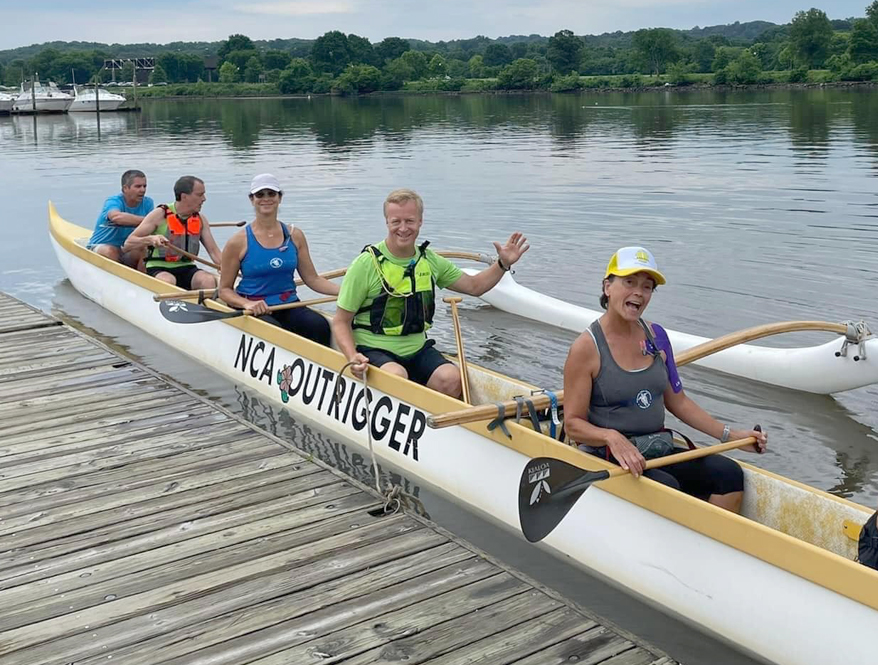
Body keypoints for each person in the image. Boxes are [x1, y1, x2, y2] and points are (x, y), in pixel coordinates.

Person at [563, 246, 767, 513]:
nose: (638, 292)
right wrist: (610, 436)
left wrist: (730, 435)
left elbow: (678, 401)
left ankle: (706, 540)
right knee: (667, 487)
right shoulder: (586, 348)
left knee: (728, 474)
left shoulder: (656, 336)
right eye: (629, 282)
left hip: (654, 447)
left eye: (647, 287)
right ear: (607, 287)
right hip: (611, 456)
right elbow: (573, 425)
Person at [332, 188, 529, 397]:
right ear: (387, 223)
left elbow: (474, 286)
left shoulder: (430, 261)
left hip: (417, 349)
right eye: (396, 222)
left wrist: (502, 264)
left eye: (409, 221)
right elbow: (340, 321)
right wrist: (352, 356)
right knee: (396, 376)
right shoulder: (365, 264)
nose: (403, 228)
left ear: (420, 222)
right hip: (373, 349)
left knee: (451, 379)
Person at [219, 173, 339, 346]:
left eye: (271, 194)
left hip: (288, 304)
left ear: (279, 198)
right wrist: (246, 303)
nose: (266, 199)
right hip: (255, 308)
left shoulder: (295, 235)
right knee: (275, 332)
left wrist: (345, 293)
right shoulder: (237, 242)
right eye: (260, 195)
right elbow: (224, 290)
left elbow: (313, 279)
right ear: (252, 199)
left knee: (318, 326)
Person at [123, 175, 221, 290]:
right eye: (200, 195)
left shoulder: (200, 219)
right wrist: (151, 239)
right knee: (168, 281)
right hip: (159, 268)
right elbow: (128, 243)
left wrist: (229, 269)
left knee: (207, 280)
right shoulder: (159, 214)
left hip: (187, 267)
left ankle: (205, 306)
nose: (204, 199)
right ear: (184, 196)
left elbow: (214, 252)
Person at [87, 169, 154, 268]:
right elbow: (117, 217)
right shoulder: (113, 201)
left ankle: (142, 279)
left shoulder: (148, 203)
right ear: (125, 188)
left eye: (144, 186)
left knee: (146, 249)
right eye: (138, 186)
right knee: (111, 251)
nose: (143, 190)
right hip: (101, 246)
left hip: (125, 249)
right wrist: (149, 222)